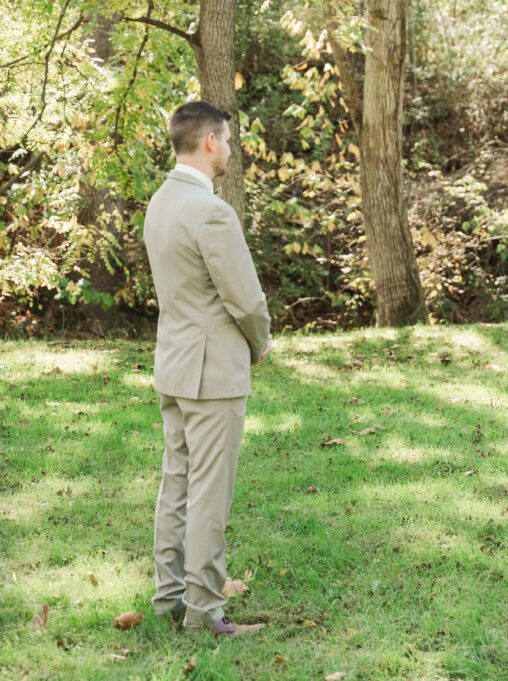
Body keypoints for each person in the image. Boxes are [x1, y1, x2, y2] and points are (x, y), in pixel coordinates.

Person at [144, 101, 272, 635]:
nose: (229, 149)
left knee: (176, 486)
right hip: (213, 372)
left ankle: (168, 597)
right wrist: (260, 344)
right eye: (227, 139)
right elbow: (246, 300)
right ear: (210, 142)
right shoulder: (212, 211)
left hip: (173, 365)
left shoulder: (160, 202)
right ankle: (204, 613)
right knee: (209, 494)